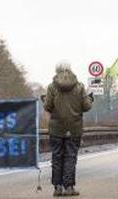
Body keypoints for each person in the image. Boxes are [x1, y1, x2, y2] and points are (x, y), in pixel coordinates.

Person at [44, 62, 93, 197]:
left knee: (57, 157)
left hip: (56, 129)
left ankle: (58, 187)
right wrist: (89, 99)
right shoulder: (79, 87)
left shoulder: (51, 87)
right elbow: (86, 106)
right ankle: (69, 187)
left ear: (57, 71)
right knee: (71, 157)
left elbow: (47, 106)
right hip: (74, 128)